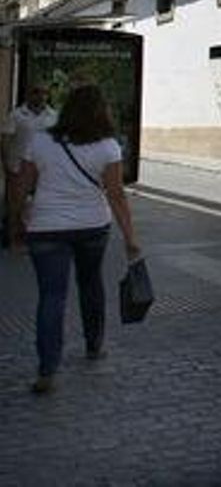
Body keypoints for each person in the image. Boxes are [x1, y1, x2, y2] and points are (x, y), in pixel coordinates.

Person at [5, 84, 139, 395]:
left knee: (52, 296)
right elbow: (117, 196)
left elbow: (20, 186)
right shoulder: (108, 146)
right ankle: (94, 345)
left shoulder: (40, 142)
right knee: (91, 284)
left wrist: (14, 222)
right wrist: (131, 238)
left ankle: (47, 370)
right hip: (93, 226)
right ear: (100, 111)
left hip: (46, 227)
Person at [1, 85, 57, 250]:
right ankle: (13, 241)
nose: (40, 96)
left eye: (43, 93)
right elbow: (5, 141)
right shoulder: (16, 115)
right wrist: (7, 166)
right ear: (28, 95)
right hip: (18, 166)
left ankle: (35, 238)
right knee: (15, 206)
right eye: (36, 92)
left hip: (44, 167)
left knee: (41, 204)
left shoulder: (54, 116)